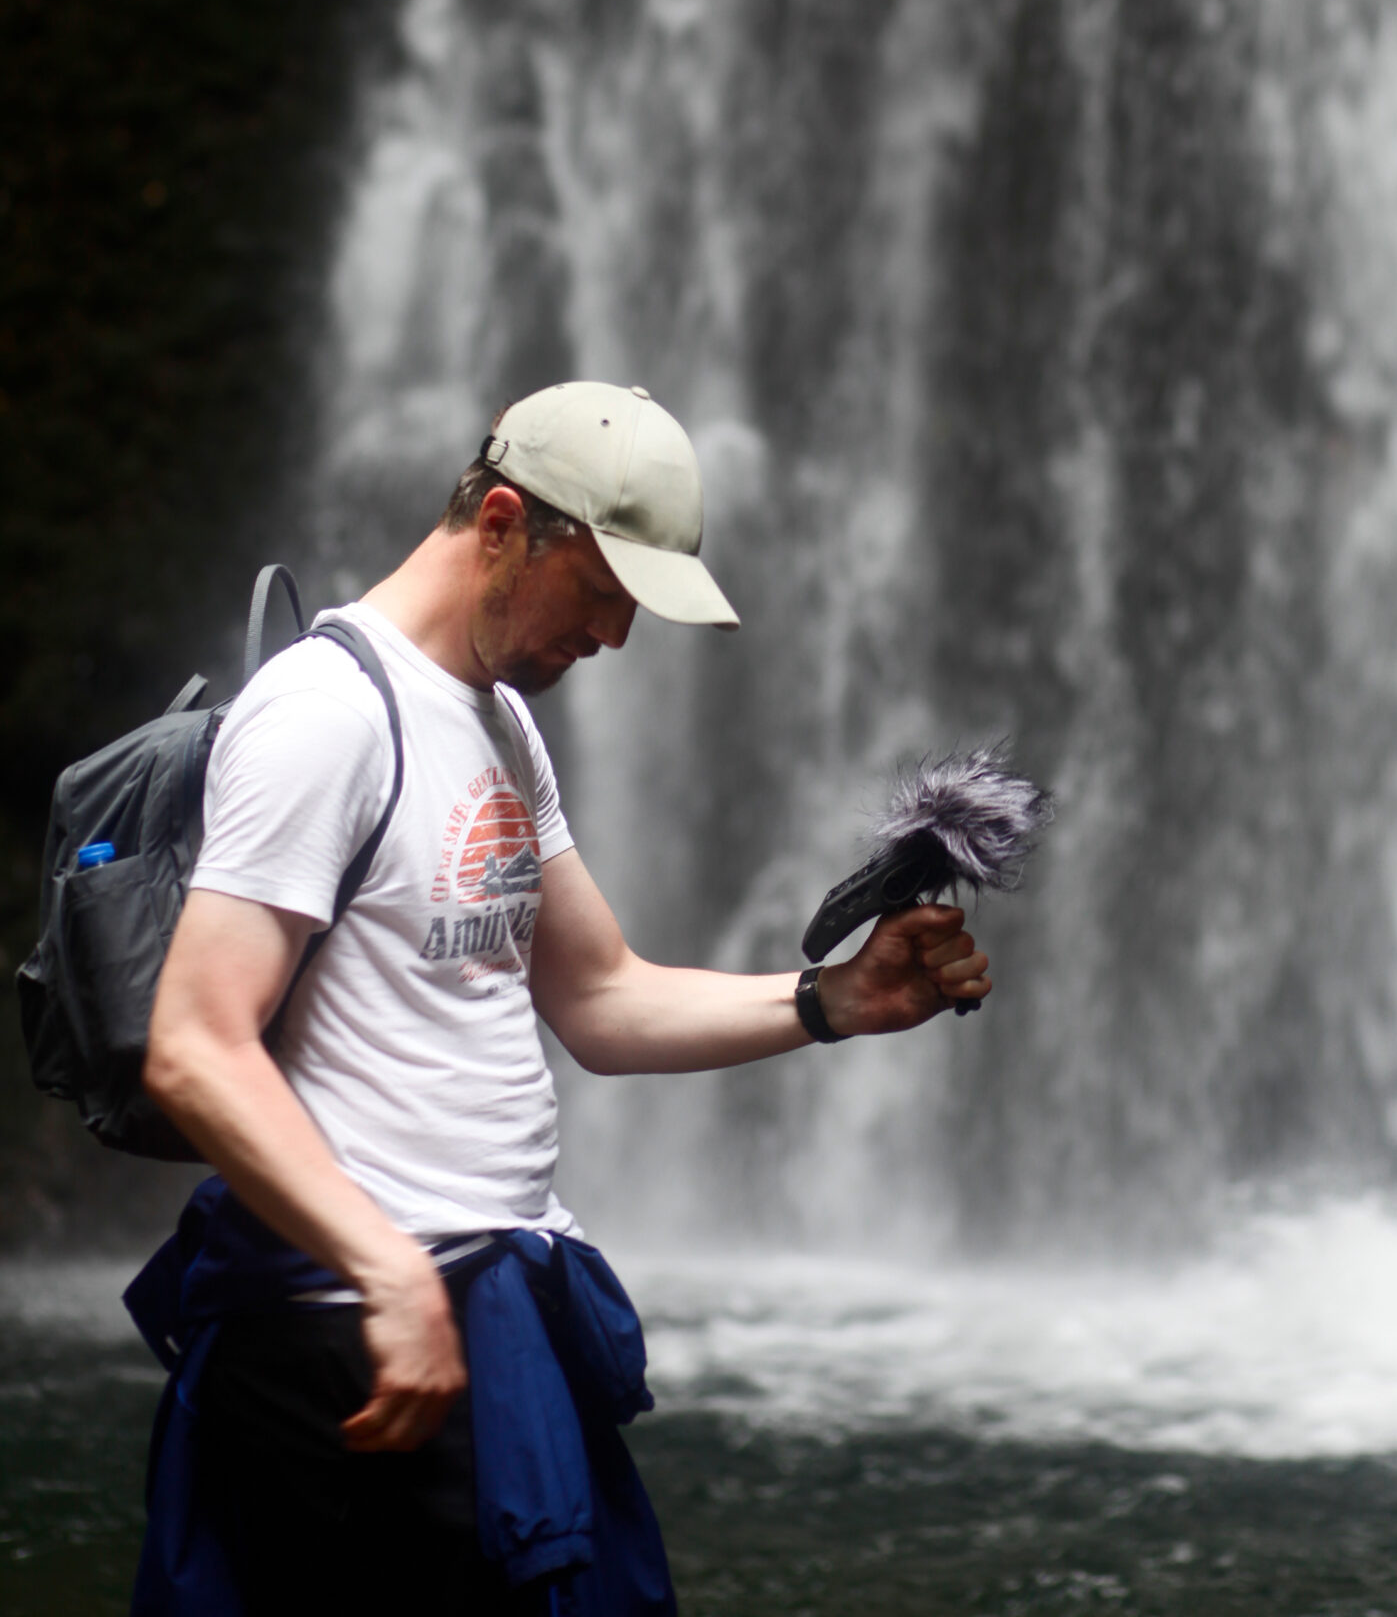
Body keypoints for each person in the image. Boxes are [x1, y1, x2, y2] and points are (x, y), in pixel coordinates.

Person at [133, 379, 990, 1617]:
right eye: (601, 595)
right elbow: (194, 1046)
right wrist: (388, 1275)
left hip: (483, 1306)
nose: (614, 639)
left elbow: (601, 999)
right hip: (352, 1334)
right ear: (499, 523)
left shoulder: (499, 725)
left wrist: (837, 998)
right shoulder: (327, 717)